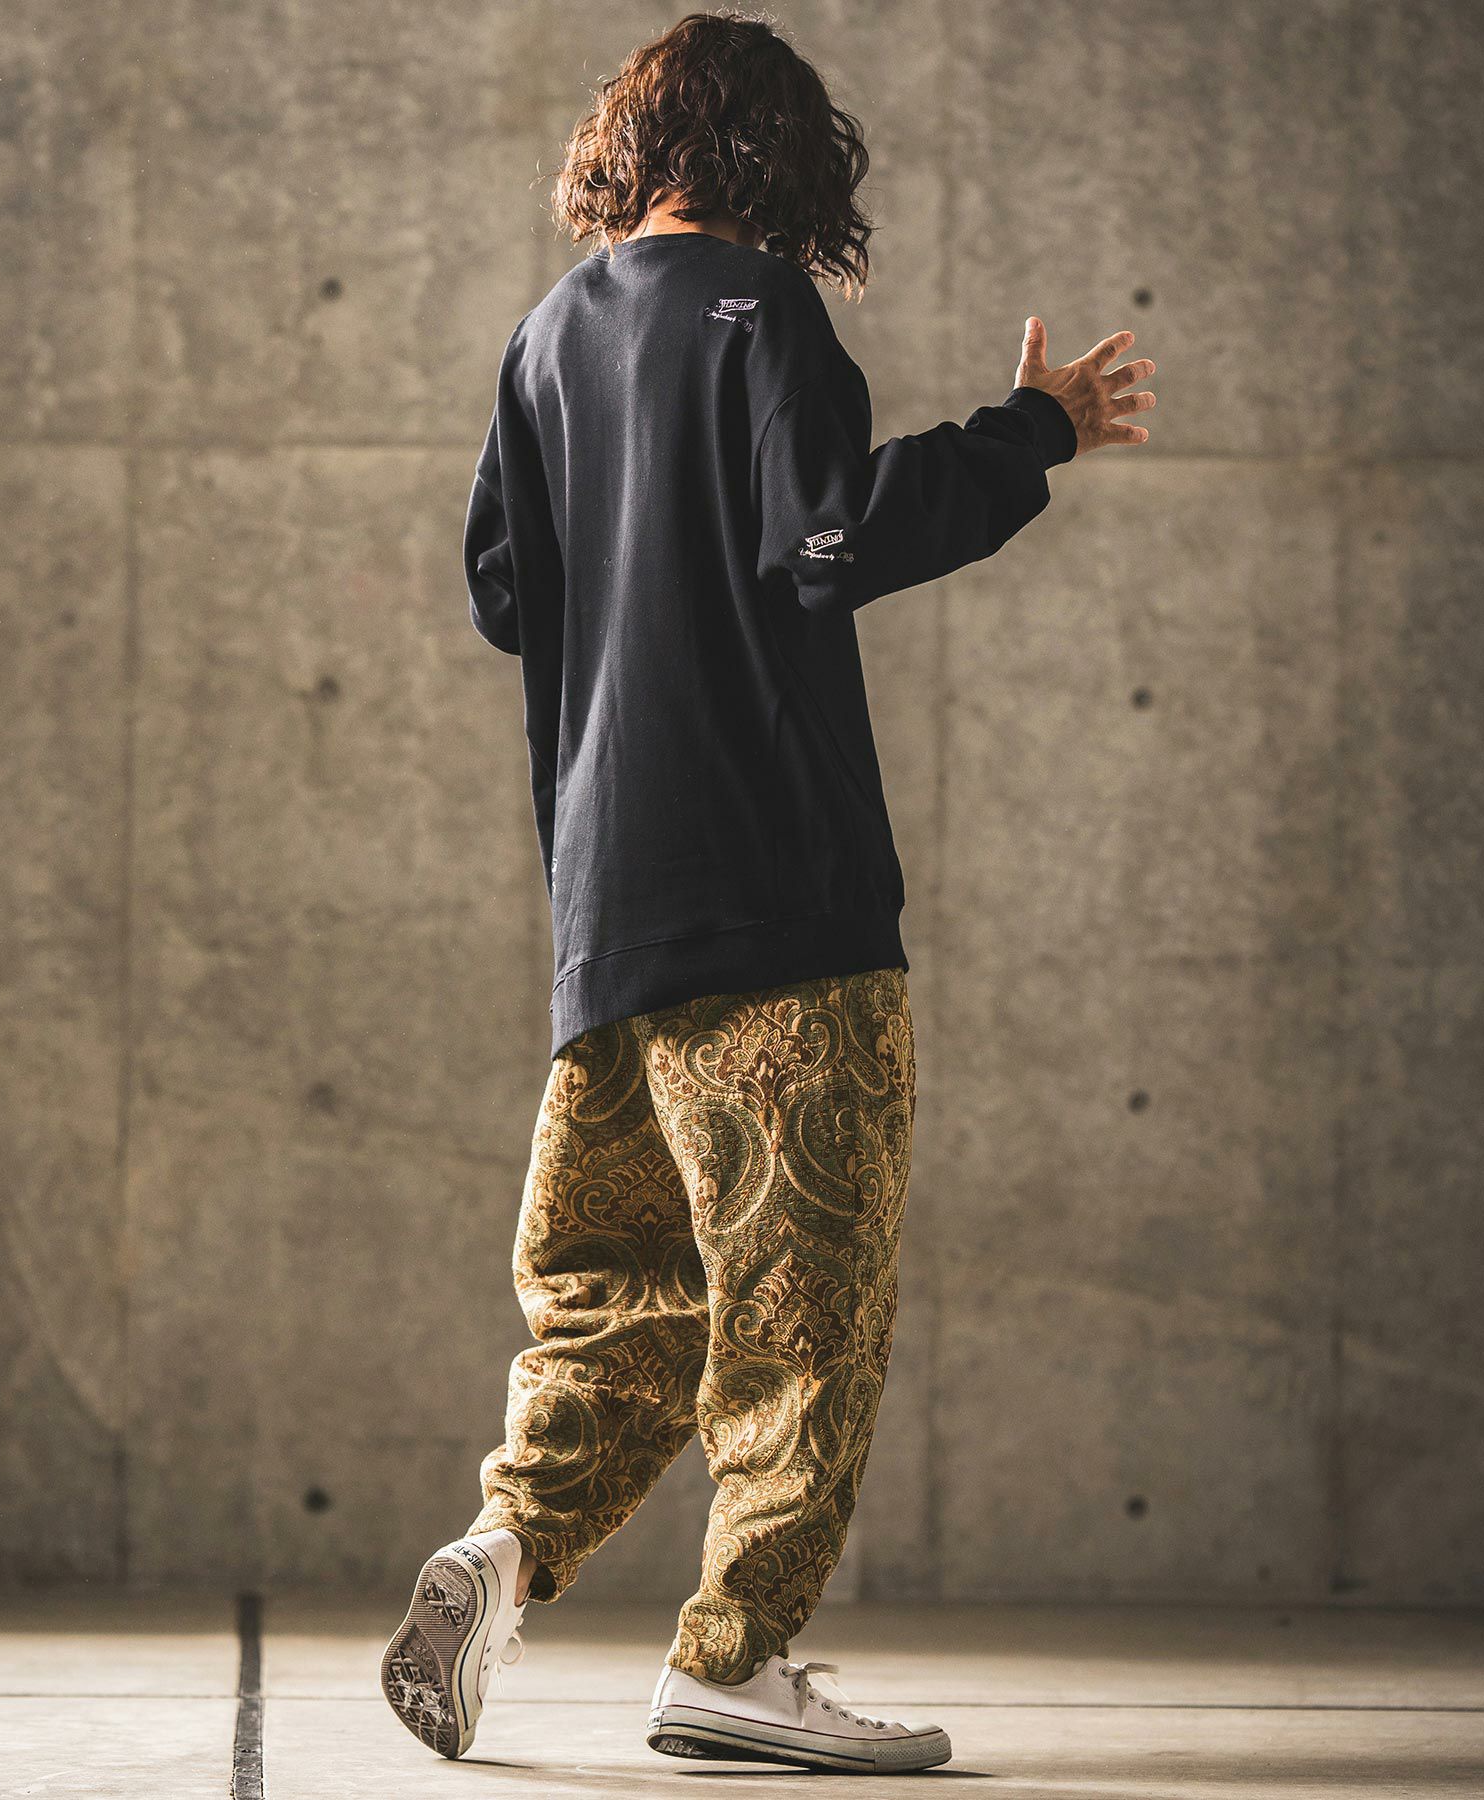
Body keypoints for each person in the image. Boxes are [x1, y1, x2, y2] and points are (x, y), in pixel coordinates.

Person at [381, 9, 1154, 1775]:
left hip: (612, 914)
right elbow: (825, 539)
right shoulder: (759, 304)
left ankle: (504, 1550)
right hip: (782, 905)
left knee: (621, 1293)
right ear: (776, 156)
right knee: (805, 1306)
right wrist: (1024, 434)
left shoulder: (547, 336)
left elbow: (505, 590)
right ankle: (734, 1661)